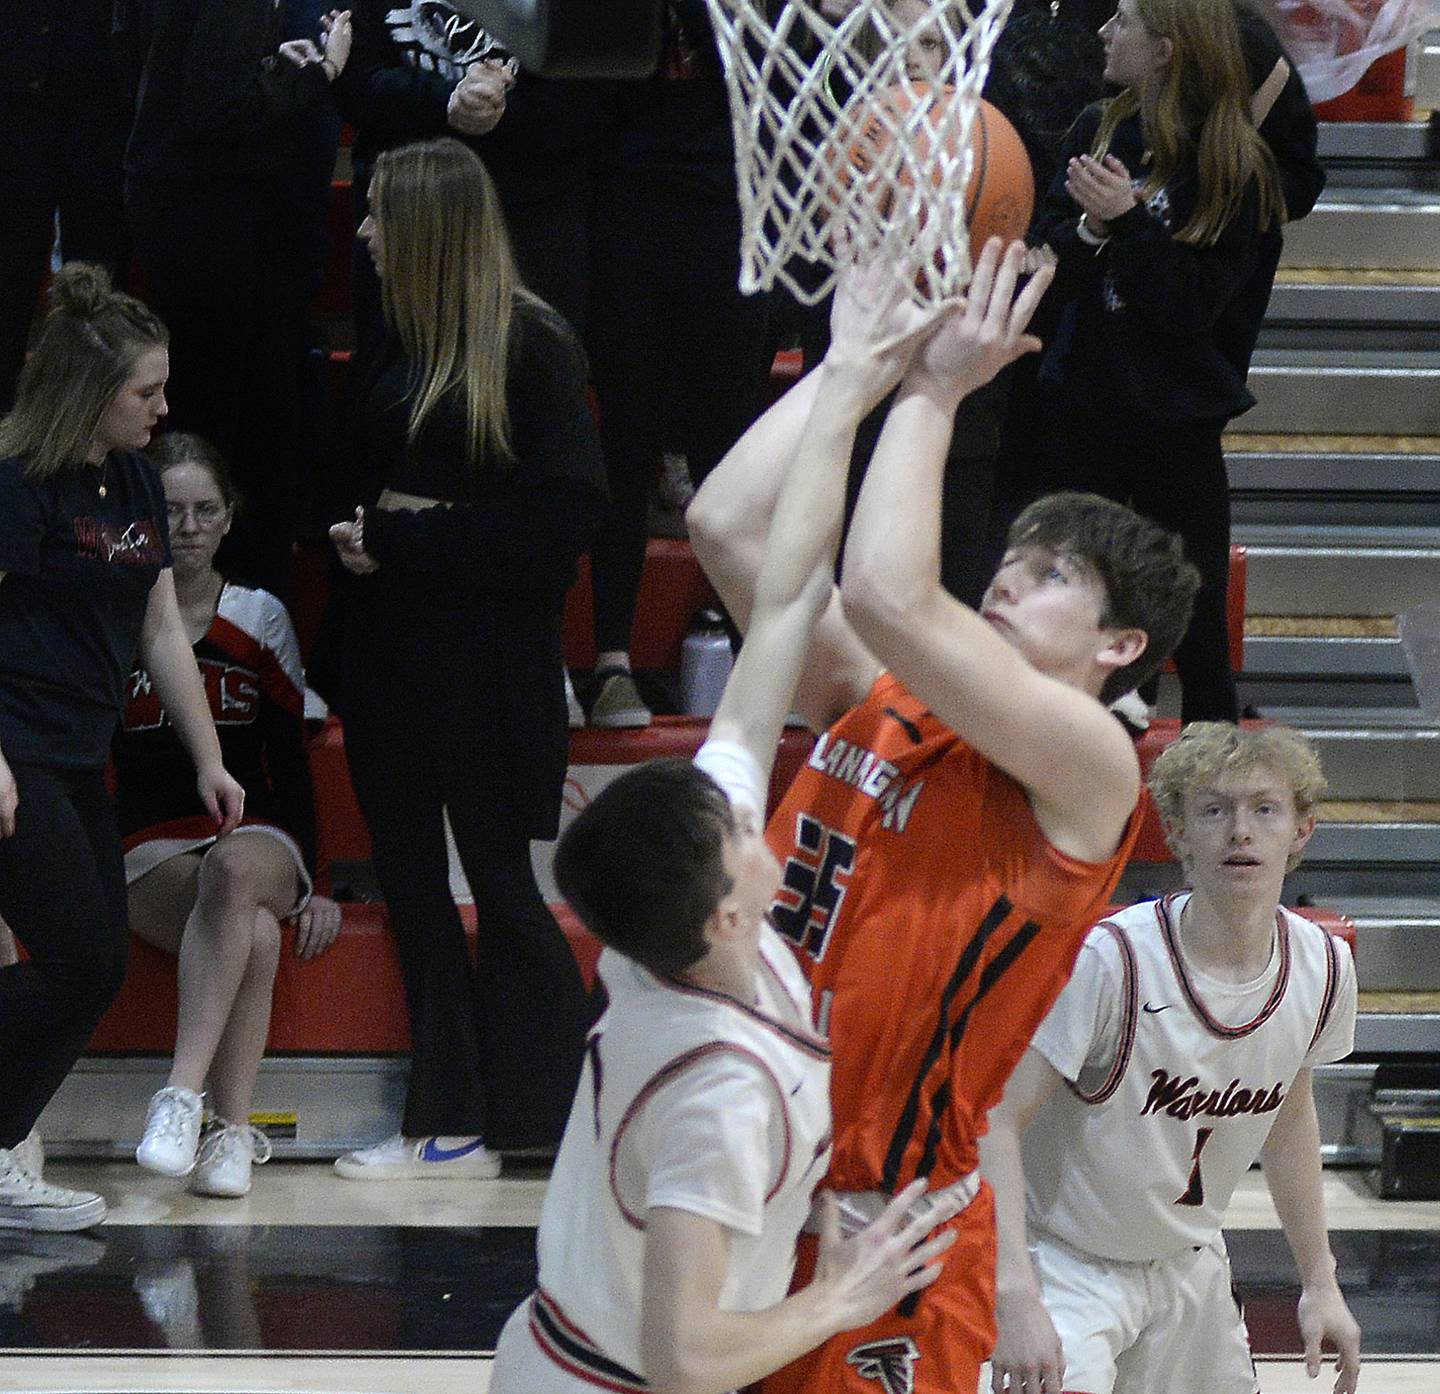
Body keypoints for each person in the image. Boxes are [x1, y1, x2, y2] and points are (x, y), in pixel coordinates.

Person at [489, 250, 1022, 1394]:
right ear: (735, 905)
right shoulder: (716, 1093)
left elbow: (782, 596)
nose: (750, 803)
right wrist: (843, 1292)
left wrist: (847, 381)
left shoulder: (673, 931)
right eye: (736, 825)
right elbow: (686, 1359)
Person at [688, 240, 1202, 1394]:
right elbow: (726, 525)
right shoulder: (889, 690)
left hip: (890, 1222)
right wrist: (852, 364)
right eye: (1012, 559)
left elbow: (883, 585)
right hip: (743, 1168)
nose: (1009, 579)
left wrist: (933, 390)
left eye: (1052, 574)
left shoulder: (1091, 765)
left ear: (1120, 648)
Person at [326, 138, 607, 1178]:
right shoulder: (397, 335)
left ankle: (567, 1119)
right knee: (409, 884)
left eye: (379, 217)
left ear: (429, 229)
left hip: (487, 666)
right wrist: (372, 531)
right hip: (391, 651)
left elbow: (561, 524)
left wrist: (413, 533)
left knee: (500, 886)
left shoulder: (530, 346)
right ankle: (442, 1119)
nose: (360, 232)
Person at [981, 722, 1362, 1394]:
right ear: (1179, 832)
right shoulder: (1111, 959)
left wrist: (1320, 1281)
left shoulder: (1323, 965)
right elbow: (995, 1119)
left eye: (1264, 809)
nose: (1239, 832)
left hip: (1189, 1265)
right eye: (1214, 810)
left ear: (1301, 830)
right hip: (1067, 1267)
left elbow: (1288, 1117)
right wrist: (1014, 1292)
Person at [0, 264, 244, 1231]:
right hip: (16, 753)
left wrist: (209, 757)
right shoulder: (19, 482)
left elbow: (159, 633)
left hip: (77, 756)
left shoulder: (137, 479)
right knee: (76, 960)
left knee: (91, 967)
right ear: (90, 393)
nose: (163, 405)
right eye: (146, 390)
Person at [1017, 0, 1284, 724]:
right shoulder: (1095, 129)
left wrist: (1130, 225)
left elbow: (1191, 308)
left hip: (1177, 418)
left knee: (1197, 626)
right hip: (1081, 405)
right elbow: (1043, 266)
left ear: (1167, 48)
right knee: (1057, 593)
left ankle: (1216, 779)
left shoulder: (1235, 167)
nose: (1104, 29)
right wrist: (1086, 228)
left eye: (1125, 20)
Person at [117, 433, 342, 1199]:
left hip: (254, 834)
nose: (187, 526)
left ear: (229, 517)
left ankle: (180, 1096)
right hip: (148, 843)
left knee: (235, 866)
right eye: (171, 510)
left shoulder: (259, 615)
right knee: (247, 931)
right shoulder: (116, 616)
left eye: (204, 509)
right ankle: (231, 1133)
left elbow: (293, 761)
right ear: (144, 518)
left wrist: (319, 881)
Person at [115, 0, 354, 601]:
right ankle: (225, 626)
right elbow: (217, 106)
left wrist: (276, 66)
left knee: (225, 423)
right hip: (222, 240)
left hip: (201, 226)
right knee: (237, 434)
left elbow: (209, 81)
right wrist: (314, 73)